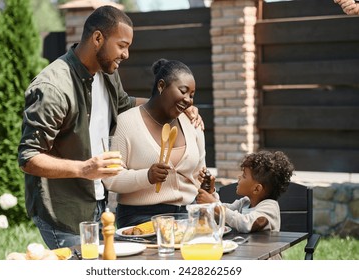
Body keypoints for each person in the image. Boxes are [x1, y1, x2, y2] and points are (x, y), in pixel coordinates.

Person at [18, 6, 202, 250]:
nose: (126, 54)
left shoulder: (107, 74)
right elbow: (28, 158)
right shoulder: (54, 88)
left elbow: (124, 103)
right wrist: (84, 168)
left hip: (97, 203)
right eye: (122, 45)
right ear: (97, 38)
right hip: (64, 209)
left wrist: (178, 105)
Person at [102, 58, 218, 228]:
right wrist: (147, 176)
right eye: (183, 91)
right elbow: (111, 179)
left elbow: (198, 174)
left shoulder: (192, 123)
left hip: (188, 216)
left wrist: (208, 186)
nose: (188, 100)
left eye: (191, 95)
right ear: (161, 86)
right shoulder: (126, 123)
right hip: (140, 218)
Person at [196, 150, 294, 234]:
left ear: (257, 189)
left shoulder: (270, 208)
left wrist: (215, 205)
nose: (239, 177)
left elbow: (246, 223)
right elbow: (220, 215)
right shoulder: (245, 203)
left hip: (265, 256)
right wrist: (210, 192)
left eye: (244, 175)